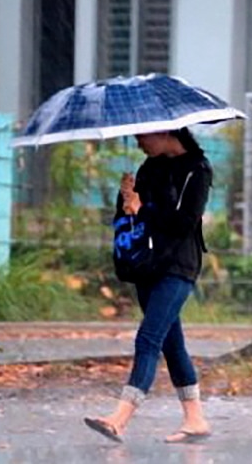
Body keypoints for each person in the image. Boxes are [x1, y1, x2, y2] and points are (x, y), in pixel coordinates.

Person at [84, 127, 212, 443]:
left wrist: (144, 208)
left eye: (143, 136)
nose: (138, 143)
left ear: (165, 131)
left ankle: (119, 419)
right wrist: (126, 197)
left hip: (178, 266)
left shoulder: (197, 170)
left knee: (148, 338)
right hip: (147, 265)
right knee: (172, 344)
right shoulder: (150, 167)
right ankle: (195, 419)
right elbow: (132, 216)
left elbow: (184, 223)